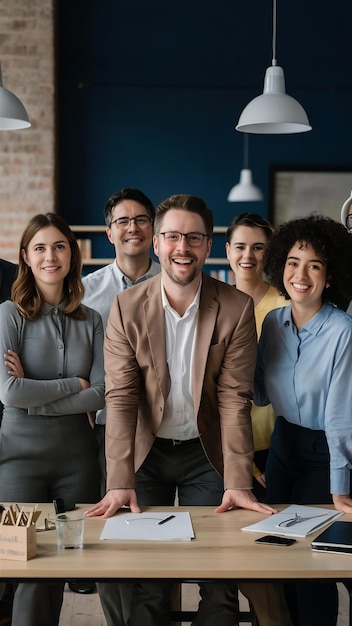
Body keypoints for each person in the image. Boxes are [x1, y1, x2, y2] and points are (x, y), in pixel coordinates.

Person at [87, 194, 292, 626]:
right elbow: (121, 398)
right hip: (148, 453)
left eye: (194, 238)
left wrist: (239, 481)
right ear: (157, 244)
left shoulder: (236, 307)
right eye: (173, 236)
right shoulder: (125, 308)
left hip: (206, 453)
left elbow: (234, 399)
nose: (183, 247)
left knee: (218, 578)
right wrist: (119, 479)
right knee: (148, 580)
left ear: (208, 246)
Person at [0, 212, 105, 626]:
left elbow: (100, 394)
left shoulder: (92, 320)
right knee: (26, 567)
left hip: (78, 459)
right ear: (26, 256)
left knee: (63, 567)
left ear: (72, 255)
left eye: (59, 246)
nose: (50, 256)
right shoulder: (8, 314)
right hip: (18, 461)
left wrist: (35, 396)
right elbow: (8, 391)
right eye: (40, 247)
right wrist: (72, 385)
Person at [255, 214, 352, 626]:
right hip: (283, 443)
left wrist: (340, 485)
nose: (301, 274)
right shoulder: (272, 323)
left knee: (315, 561)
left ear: (329, 277)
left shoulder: (343, 330)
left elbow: (341, 415)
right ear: (280, 268)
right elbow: (257, 391)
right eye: (293, 262)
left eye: (315, 265)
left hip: (326, 448)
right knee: (277, 551)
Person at [81, 188, 160, 610]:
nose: (133, 228)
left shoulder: (178, 282)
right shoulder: (86, 291)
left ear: (154, 228)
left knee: (159, 532)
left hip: (164, 429)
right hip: (107, 426)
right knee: (111, 532)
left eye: (142, 219)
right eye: (123, 221)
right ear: (109, 232)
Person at [226, 213, 288, 500]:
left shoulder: (288, 305)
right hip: (230, 447)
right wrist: (244, 465)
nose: (247, 255)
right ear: (227, 250)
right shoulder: (213, 308)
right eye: (240, 246)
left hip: (281, 445)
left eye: (258, 247)